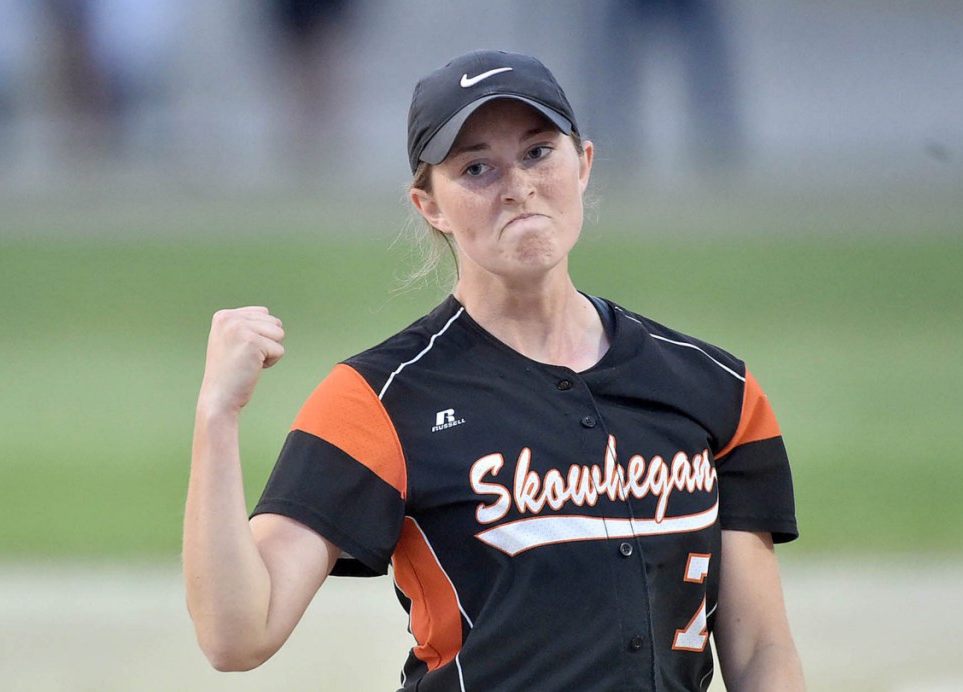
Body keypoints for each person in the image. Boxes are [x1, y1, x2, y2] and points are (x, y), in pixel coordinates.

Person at [183, 49, 805, 691]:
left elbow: (761, 650)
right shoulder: (381, 399)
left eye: (538, 151)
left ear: (584, 163)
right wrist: (217, 416)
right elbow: (238, 635)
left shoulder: (715, 389)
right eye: (476, 167)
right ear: (429, 205)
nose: (517, 184)